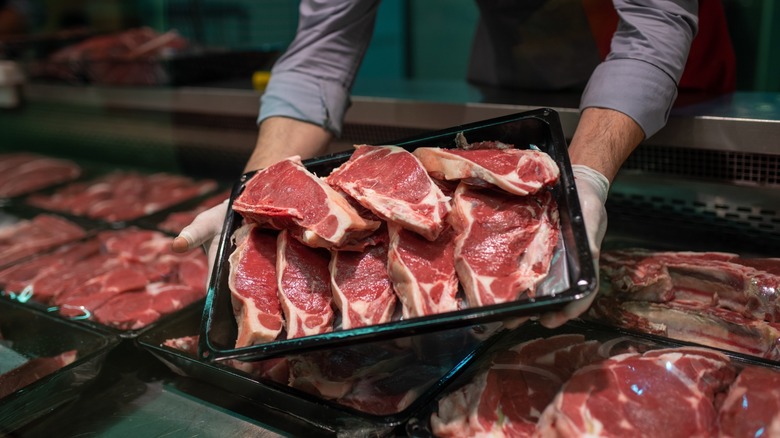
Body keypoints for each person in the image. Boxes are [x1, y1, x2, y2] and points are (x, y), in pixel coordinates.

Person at [172, 0, 702, 328]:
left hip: (654, 90)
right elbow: (322, 48)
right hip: (520, 60)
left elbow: (654, 26)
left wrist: (586, 178)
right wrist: (258, 190)